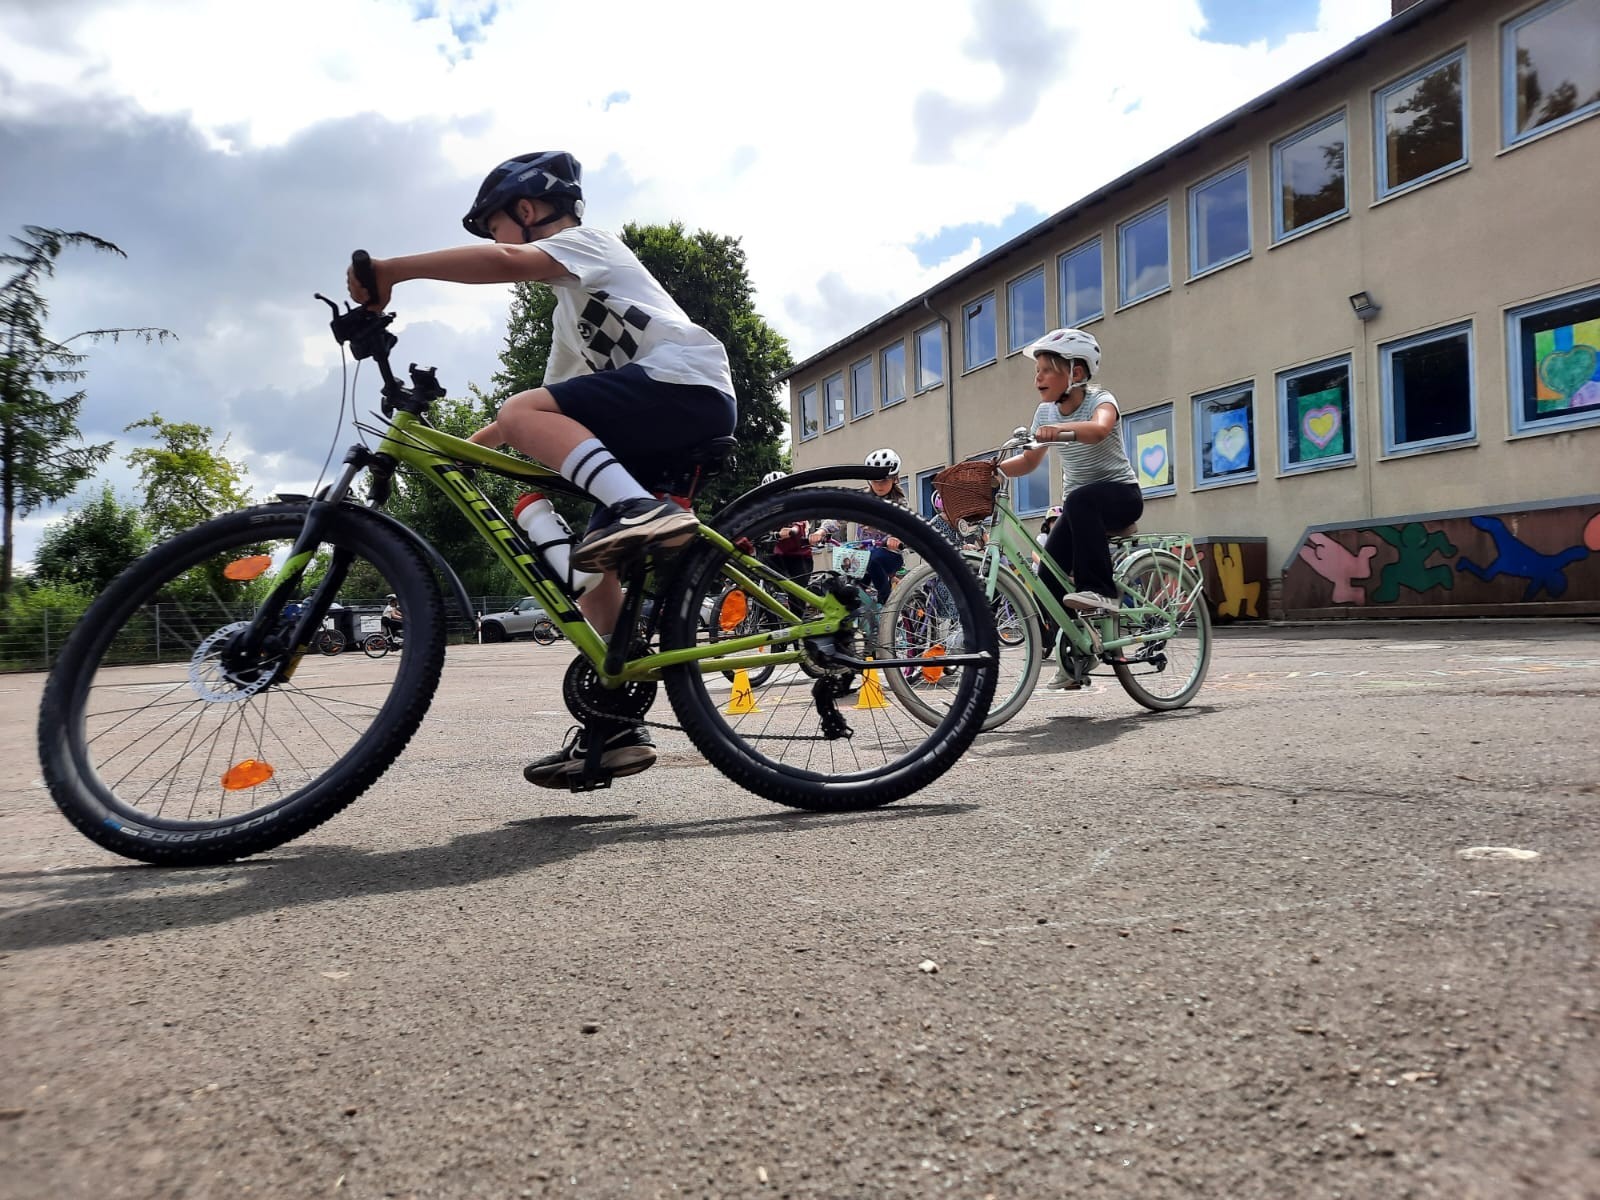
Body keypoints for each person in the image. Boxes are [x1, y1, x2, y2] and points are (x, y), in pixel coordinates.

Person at [346, 151, 737, 789]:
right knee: (593, 578)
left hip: (686, 385)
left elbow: (507, 263)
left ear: (527, 211)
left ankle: (640, 510)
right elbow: (531, 418)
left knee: (522, 412)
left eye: (495, 224)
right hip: (653, 426)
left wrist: (392, 271)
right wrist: (461, 450)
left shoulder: (589, 246)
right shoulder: (567, 315)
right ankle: (618, 726)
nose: (496, 238)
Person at [996, 328, 1141, 684]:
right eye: (1037, 370)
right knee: (1047, 577)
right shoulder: (1045, 412)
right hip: (1081, 511)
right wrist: (992, 470)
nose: (1038, 377)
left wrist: (1060, 432)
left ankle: (1102, 591)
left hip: (1121, 497)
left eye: (1047, 369)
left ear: (1075, 372)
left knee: (1079, 498)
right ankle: (1079, 651)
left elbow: (1100, 429)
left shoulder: (1101, 399)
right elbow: (1028, 461)